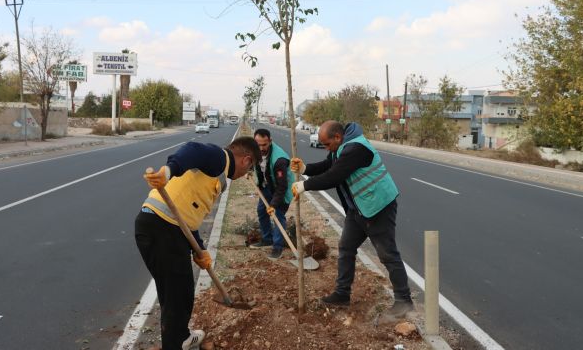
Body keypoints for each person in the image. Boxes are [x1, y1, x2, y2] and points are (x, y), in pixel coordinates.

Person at [135, 137, 261, 350]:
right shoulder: (221, 158)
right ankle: (175, 344)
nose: (244, 176)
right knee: (177, 297)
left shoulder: (217, 172)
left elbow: (190, 212)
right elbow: (193, 148)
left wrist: (199, 249)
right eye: (249, 169)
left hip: (160, 226)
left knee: (176, 292)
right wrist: (168, 170)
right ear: (247, 161)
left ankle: (181, 337)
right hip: (163, 228)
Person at [290, 121, 414, 317]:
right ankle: (342, 294)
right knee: (346, 248)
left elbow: (334, 176)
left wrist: (305, 186)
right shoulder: (342, 147)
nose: (326, 149)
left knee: (387, 255)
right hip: (359, 209)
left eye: (327, 144)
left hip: (378, 207)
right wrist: (305, 169)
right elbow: (328, 164)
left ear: (338, 138)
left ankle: (404, 301)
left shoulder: (356, 149)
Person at [249, 128, 295, 259]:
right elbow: (255, 163)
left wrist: (273, 205)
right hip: (266, 186)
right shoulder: (255, 150)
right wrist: (249, 169)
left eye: (264, 144)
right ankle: (267, 239)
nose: (261, 148)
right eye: (258, 144)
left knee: (278, 216)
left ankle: (277, 247)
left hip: (280, 190)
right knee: (261, 211)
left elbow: (282, 186)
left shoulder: (279, 160)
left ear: (270, 141)